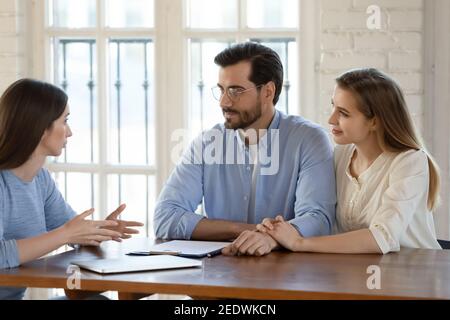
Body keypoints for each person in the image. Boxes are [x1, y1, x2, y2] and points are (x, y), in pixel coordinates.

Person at [154, 42, 336, 256]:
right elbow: (166, 217)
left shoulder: (309, 140)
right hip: (220, 277)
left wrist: (270, 239)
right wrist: (248, 230)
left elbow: (318, 219)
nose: (224, 102)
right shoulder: (206, 144)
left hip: (288, 278)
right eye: (221, 90)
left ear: (268, 92)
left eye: (235, 91)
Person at [257, 68, 442, 254]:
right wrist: (277, 230)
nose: (331, 119)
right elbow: (320, 214)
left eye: (344, 113)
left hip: (413, 275)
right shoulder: (340, 155)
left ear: (374, 122)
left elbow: (382, 237)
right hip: (358, 272)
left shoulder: (410, 162)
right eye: (333, 107)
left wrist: (298, 242)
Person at [0, 79, 143, 299]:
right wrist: (65, 234)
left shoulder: (41, 180)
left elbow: (71, 232)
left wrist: (102, 230)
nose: (70, 132)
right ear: (40, 128)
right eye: (64, 121)